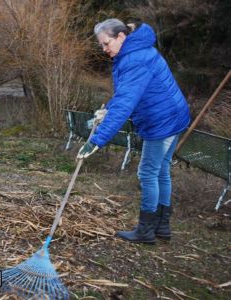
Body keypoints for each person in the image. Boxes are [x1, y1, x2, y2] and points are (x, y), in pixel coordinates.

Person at [78, 19, 191, 244]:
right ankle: (162, 227)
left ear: (121, 36)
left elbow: (126, 103)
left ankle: (146, 231)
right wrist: (106, 111)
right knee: (161, 171)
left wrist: (97, 140)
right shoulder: (137, 50)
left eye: (106, 43)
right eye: (101, 45)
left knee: (148, 173)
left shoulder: (133, 60)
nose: (104, 49)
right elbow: (126, 94)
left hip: (161, 121)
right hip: (173, 114)